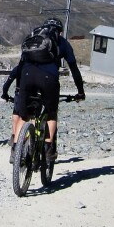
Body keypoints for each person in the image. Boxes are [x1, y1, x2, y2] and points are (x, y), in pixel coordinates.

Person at [11, 18, 85, 163]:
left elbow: (20, 66)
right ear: (60, 32)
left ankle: (15, 150)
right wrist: (80, 91)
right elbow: (74, 70)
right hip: (48, 78)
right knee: (51, 114)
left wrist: (19, 87)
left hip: (26, 76)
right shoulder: (62, 42)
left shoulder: (32, 38)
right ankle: (48, 149)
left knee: (24, 116)